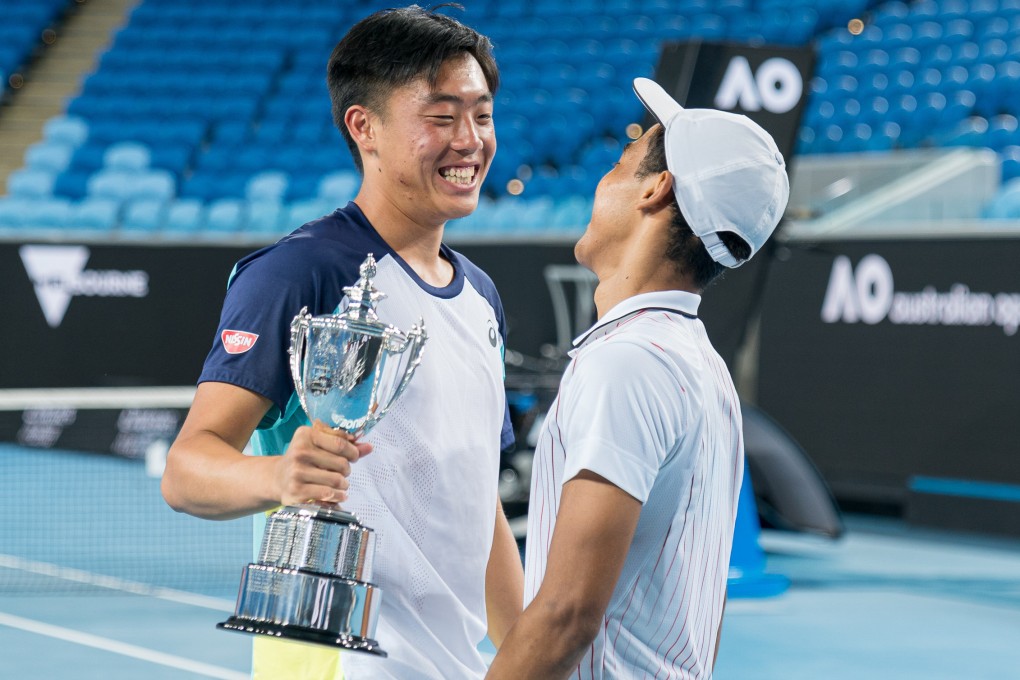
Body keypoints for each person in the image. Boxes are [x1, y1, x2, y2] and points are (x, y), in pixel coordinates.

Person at [161, 6, 523, 680]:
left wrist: (531, 656)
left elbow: (482, 507)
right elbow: (187, 470)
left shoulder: (482, 298)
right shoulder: (298, 273)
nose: (470, 140)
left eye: (482, 114)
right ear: (365, 127)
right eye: (442, 117)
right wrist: (277, 476)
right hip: (332, 667)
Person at [485, 77, 790, 680]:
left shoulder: (628, 363)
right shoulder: (697, 364)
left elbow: (568, 614)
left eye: (620, 164)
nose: (601, 181)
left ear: (656, 189)